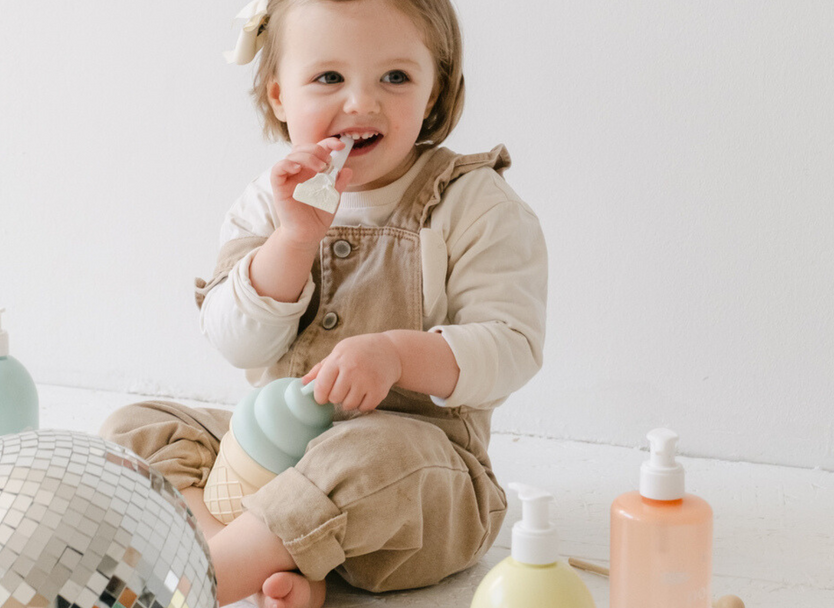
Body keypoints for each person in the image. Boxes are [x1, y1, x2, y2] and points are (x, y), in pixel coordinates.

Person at [100, 0, 547, 606]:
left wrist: (396, 354)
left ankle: (206, 578)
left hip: (416, 484)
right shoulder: (268, 203)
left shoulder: (473, 203)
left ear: (435, 90)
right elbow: (236, 341)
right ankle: (247, 553)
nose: (362, 103)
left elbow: (512, 347)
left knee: (372, 452)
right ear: (280, 95)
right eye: (330, 78)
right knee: (135, 429)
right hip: (269, 460)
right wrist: (292, 241)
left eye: (395, 77)